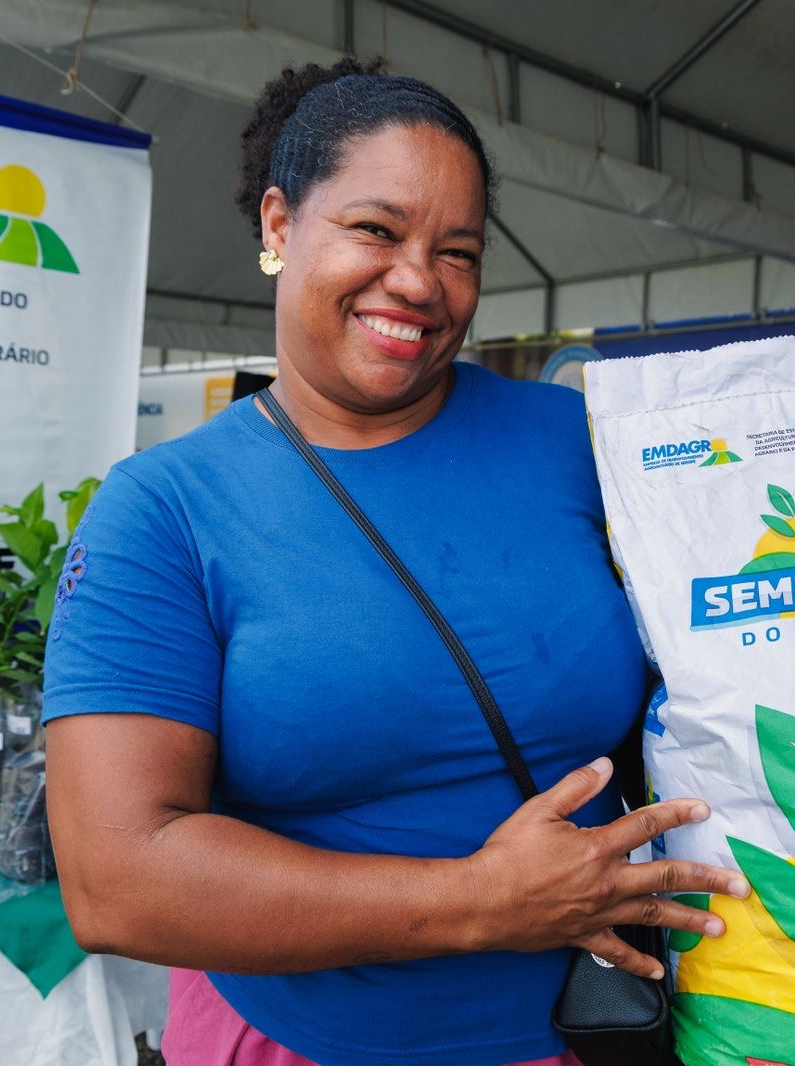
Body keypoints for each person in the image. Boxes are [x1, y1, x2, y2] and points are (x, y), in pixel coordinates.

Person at [41, 58, 747, 1066]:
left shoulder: (579, 442)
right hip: (306, 1041)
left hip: (597, 1029)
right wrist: (478, 901)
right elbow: (118, 880)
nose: (418, 280)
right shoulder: (164, 510)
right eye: (376, 230)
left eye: (457, 252)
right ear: (279, 224)